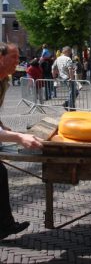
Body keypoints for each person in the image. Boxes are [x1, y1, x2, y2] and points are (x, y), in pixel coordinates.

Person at [0, 42, 43, 241]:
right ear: (1, 59)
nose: (18, 62)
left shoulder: (4, 80)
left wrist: (3, 127)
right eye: (14, 57)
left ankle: (4, 225)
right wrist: (18, 137)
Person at [51, 46, 77, 111]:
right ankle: (71, 107)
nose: (70, 53)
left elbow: (53, 68)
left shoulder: (58, 59)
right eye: (70, 51)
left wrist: (54, 77)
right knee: (73, 91)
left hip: (62, 77)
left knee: (74, 91)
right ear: (67, 51)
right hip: (68, 77)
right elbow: (70, 69)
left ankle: (67, 103)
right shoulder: (68, 59)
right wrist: (71, 78)